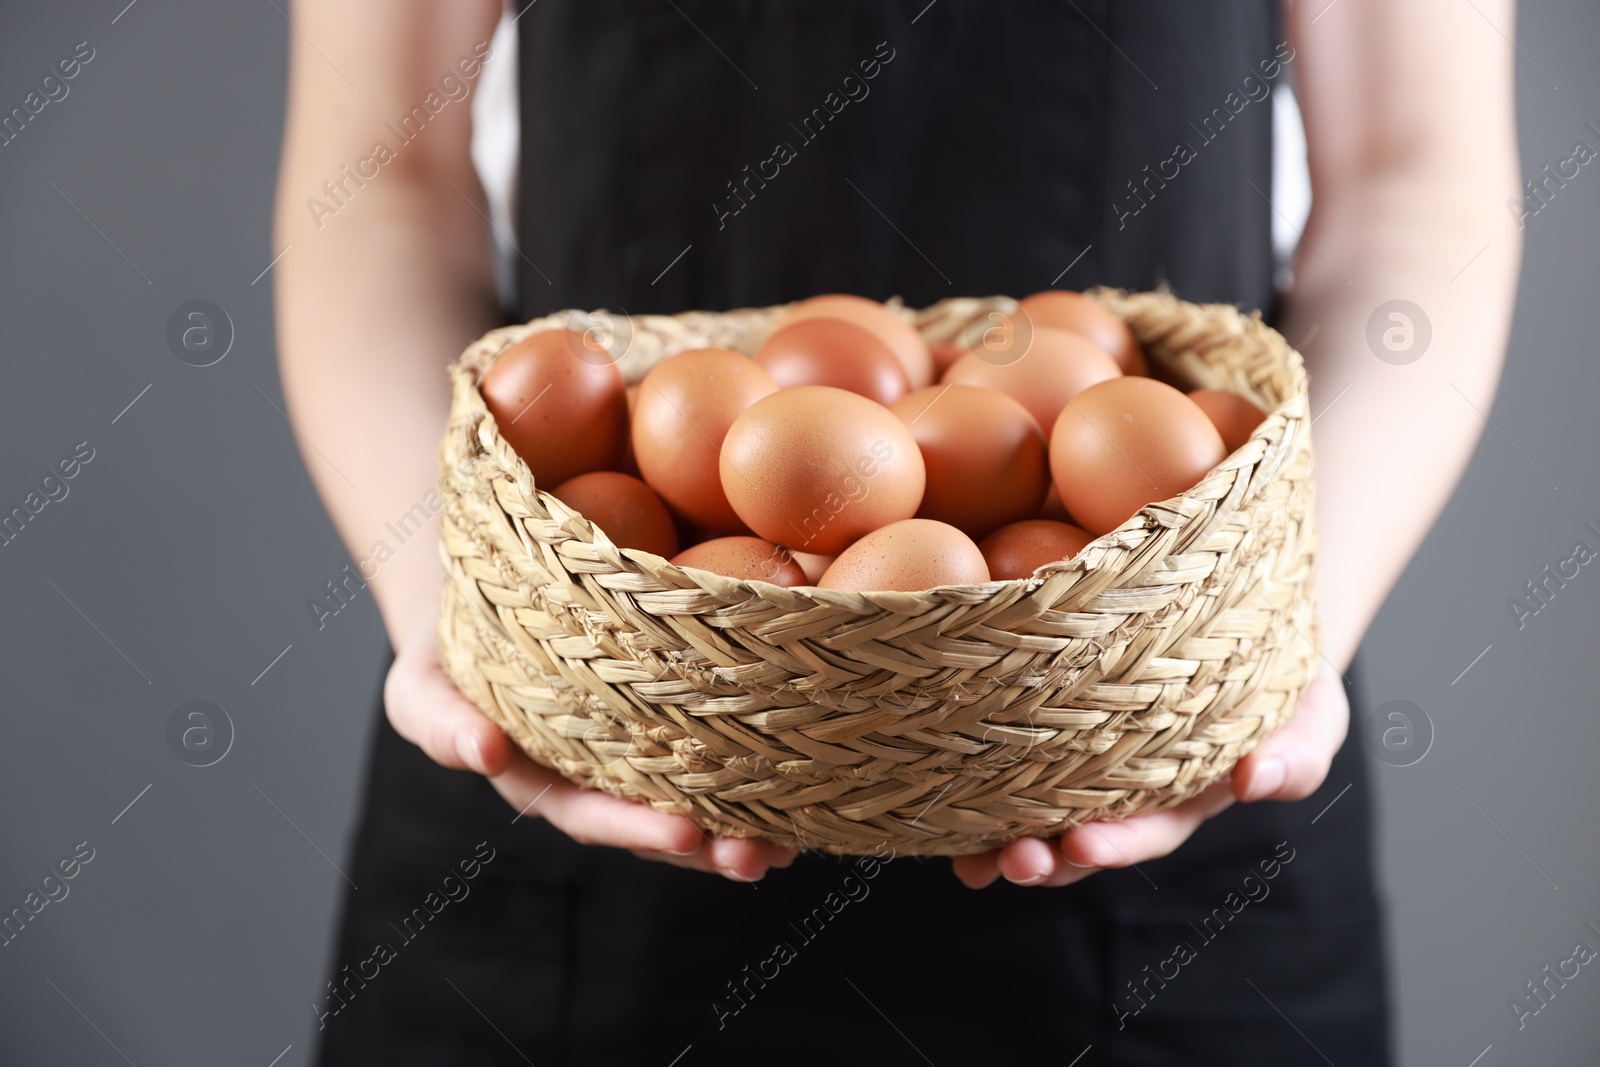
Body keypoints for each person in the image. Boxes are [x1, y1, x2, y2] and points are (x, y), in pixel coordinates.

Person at [275, 1, 1521, 1062]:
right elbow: (382, 172)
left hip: (1158, 754)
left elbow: (1413, 179)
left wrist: (1284, 621)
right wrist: (453, 593)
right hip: (591, 719)